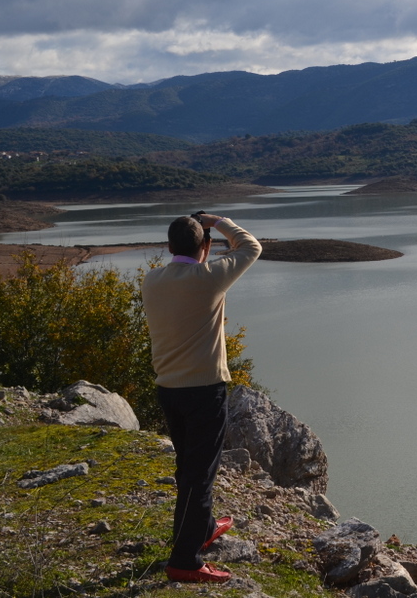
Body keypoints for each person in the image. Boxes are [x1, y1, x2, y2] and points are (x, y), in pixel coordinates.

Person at [141, 212, 262, 583]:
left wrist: (204, 238)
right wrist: (217, 220)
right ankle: (185, 561)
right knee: (200, 476)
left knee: (189, 468)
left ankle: (204, 527)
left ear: (168, 247)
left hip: (168, 391)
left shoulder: (152, 280)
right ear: (205, 247)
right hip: (204, 391)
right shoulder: (208, 279)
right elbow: (251, 246)